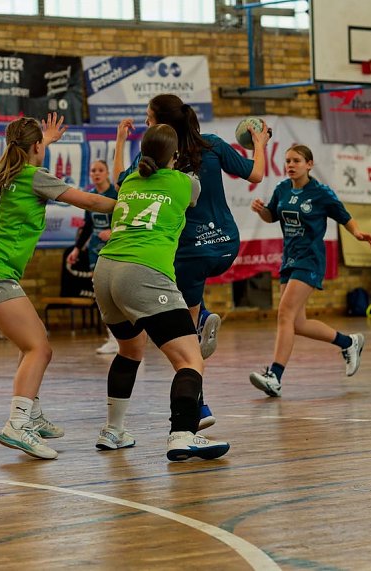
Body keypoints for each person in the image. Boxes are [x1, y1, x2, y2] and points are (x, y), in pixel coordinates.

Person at [0, 114, 116, 460]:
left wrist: (45, 141)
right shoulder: (34, 176)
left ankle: (32, 414)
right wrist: (131, 206)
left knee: (34, 338)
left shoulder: (6, 173)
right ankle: (17, 424)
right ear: (35, 147)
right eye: (41, 142)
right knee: (39, 349)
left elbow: (27, 158)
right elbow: (90, 202)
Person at [112, 94, 270, 426]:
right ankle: (203, 315)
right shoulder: (212, 144)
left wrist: (120, 143)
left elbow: (119, 184)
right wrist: (259, 143)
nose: (146, 123)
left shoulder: (156, 158)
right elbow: (256, 175)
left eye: (149, 118)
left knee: (185, 343)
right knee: (188, 304)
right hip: (226, 246)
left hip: (188, 255)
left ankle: (199, 408)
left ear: (161, 126)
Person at [92, 124, 230, 462]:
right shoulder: (185, 183)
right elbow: (197, 192)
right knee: (190, 359)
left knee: (129, 350)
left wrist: (121, 141)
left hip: (105, 272)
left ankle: (113, 430)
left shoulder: (129, 181)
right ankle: (182, 434)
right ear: (175, 155)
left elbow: (124, 173)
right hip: (144, 271)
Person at [249, 144, 371, 398]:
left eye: (296, 160)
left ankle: (275, 377)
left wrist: (357, 233)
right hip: (289, 260)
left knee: (284, 314)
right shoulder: (282, 189)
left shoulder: (320, 193)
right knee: (297, 323)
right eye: (287, 161)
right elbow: (272, 216)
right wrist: (261, 211)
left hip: (311, 260)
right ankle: (348, 342)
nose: (290, 165)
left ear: (309, 164)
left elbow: (344, 216)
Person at [66, 159, 119, 354]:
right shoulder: (90, 197)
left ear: (107, 173)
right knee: (101, 295)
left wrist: (113, 232)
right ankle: (112, 337)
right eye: (93, 170)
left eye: (100, 170)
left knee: (118, 293)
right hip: (95, 252)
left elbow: (127, 220)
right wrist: (77, 249)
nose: (96, 173)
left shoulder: (116, 195)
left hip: (115, 250)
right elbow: (88, 226)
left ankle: (130, 336)